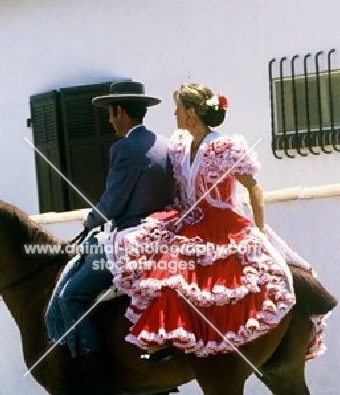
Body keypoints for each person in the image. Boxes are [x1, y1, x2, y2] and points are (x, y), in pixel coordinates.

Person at [111, 83, 326, 360]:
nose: (174, 114)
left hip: (222, 224)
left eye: (178, 109)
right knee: (160, 264)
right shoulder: (180, 146)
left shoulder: (224, 147)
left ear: (191, 114)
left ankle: (185, 338)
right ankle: (167, 336)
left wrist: (259, 230)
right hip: (187, 219)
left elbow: (254, 188)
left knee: (182, 269)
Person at [45, 80, 174, 395]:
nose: (109, 120)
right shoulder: (163, 143)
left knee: (71, 296)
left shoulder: (123, 149)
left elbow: (113, 203)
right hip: (162, 233)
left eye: (110, 113)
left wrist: (91, 220)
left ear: (120, 111)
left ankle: (96, 380)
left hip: (132, 239)